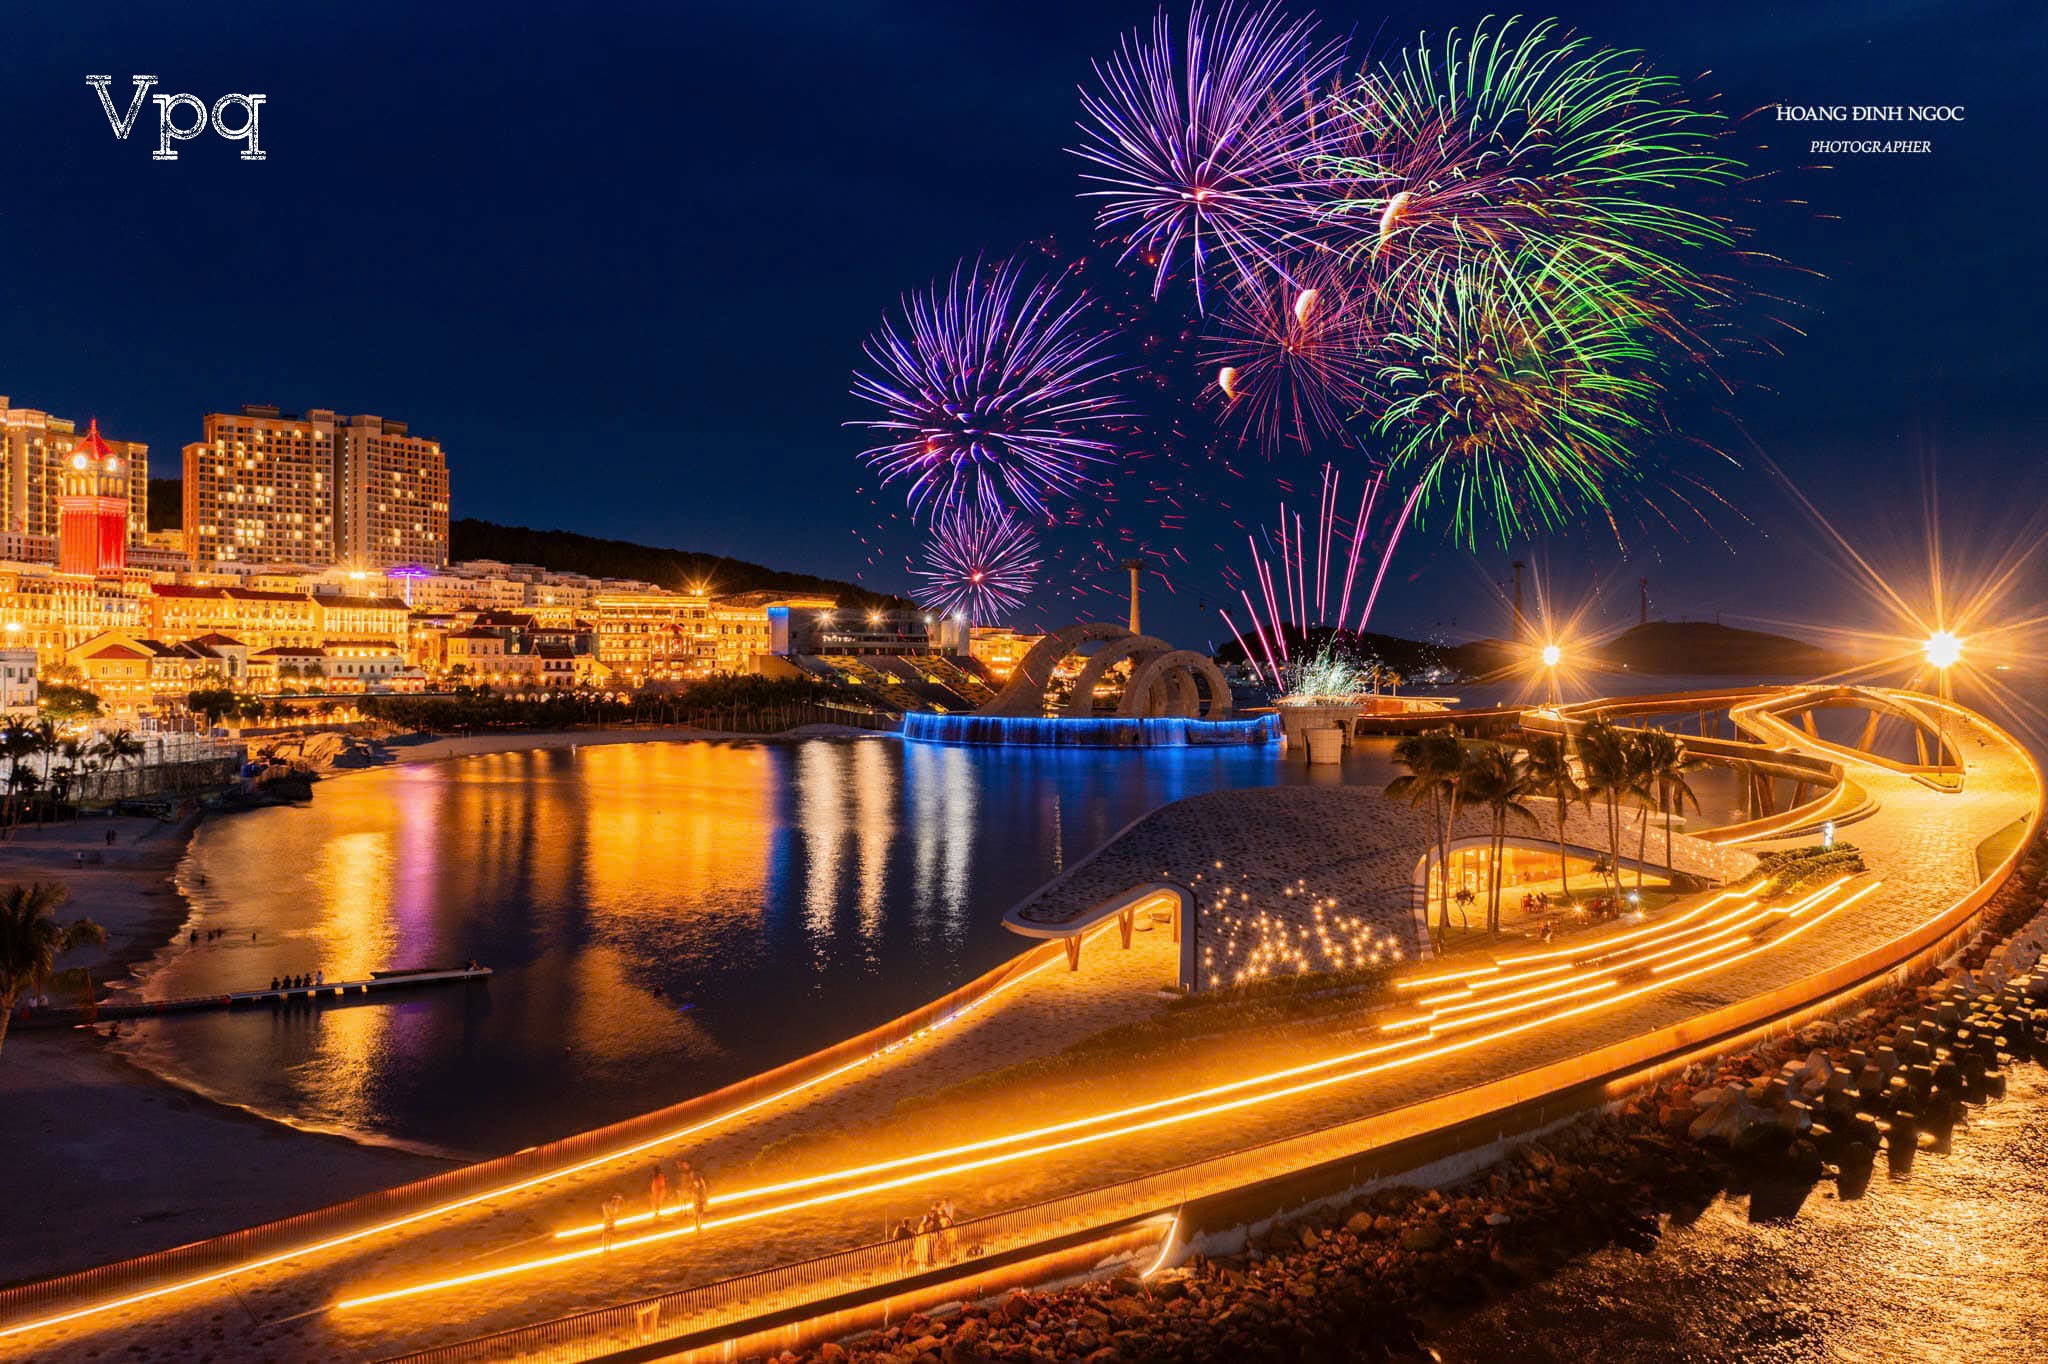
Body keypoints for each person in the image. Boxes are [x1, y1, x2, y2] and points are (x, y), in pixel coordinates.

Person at [688, 1166, 710, 1232]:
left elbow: (702, 1189)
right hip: (697, 1200)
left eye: (692, 1174)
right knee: (698, 1214)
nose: (691, 1175)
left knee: (699, 1214)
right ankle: (698, 1226)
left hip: (698, 1199)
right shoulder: (697, 1181)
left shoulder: (697, 1181)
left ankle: (698, 1226)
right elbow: (702, 1189)